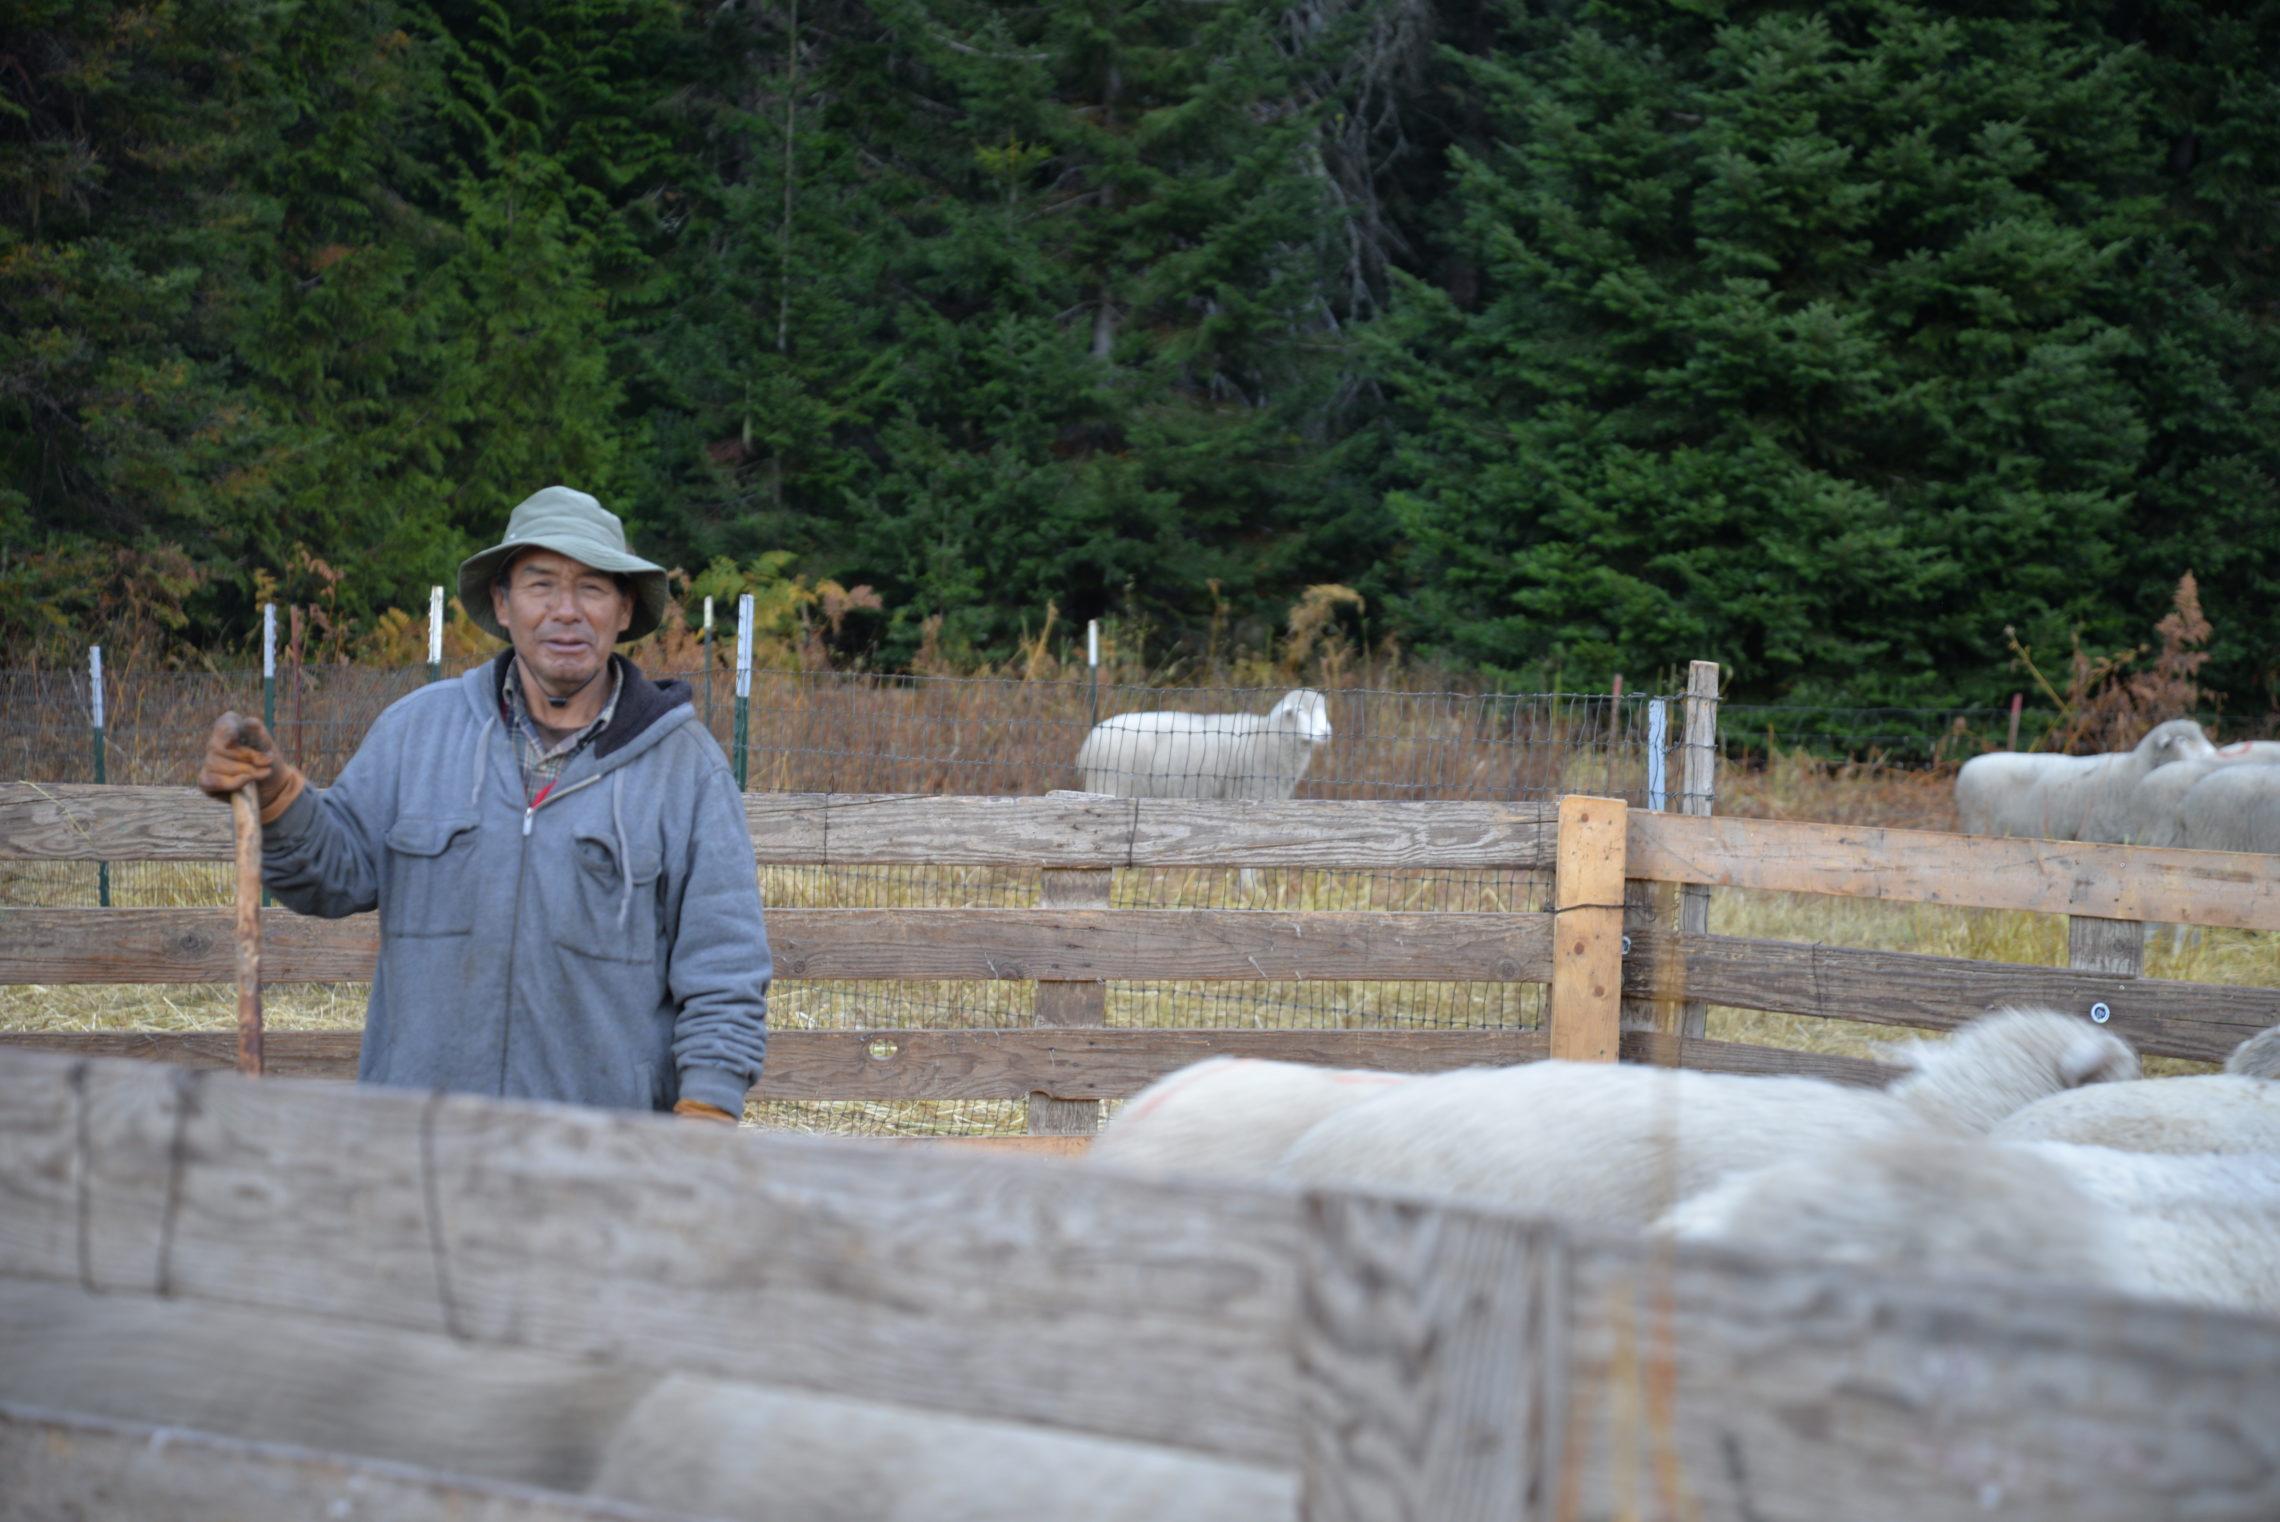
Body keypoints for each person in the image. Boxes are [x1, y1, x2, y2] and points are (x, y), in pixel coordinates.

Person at [197, 486, 769, 1122]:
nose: (565, 611)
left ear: (625, 608)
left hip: (603, 1153)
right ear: (502, 602)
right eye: (541, 584)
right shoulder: (417, 732)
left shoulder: (685, 767)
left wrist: (708, 1110)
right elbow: (331, 878)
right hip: (420, 1138)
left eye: (593, 588)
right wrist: (279, 798)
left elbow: (725, 963)